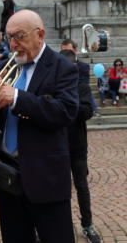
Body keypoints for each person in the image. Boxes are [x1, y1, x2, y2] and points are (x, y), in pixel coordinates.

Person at [0, 9, 79, 243]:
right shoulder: (1, 67)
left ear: (40, 34)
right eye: (9, 37)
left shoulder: (62, 66)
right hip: (7, 176)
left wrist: (16, 98)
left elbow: (65, 111)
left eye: (20, 36)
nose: (13, 44)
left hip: (46, 176)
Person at [60, 49, 102, 243]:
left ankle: (87, 224)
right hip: (58, 146)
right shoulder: (54, 86)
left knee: (82, 186)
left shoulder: (82, 87)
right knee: (58, 188)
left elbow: (87, 112)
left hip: (77, 146)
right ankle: (60, 226)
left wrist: (68, 103)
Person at [60, 39, 101, 117]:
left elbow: (84, 84)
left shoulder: (83, 66)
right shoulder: (57, 65)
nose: (66, 54)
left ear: (75, 51)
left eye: (69, 51)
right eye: (63, 51)